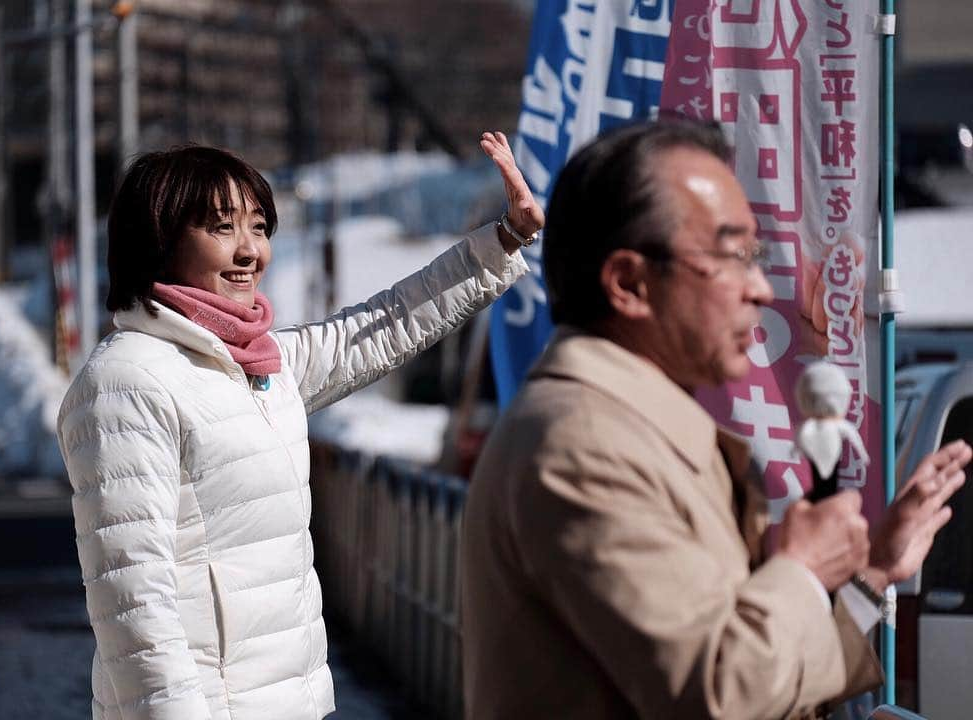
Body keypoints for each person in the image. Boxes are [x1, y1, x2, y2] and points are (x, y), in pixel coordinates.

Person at [459, 120, 970, 720]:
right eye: (732, 256)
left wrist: (873, 571)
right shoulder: (582, 444)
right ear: (629, 283)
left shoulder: (625, 426)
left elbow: (745, 666)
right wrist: (802, 571)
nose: (759, 288)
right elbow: (717, 694)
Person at [58, 131, 542, 720]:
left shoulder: (260, 365)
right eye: (220, 227)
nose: (250, 252)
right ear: (159, 240)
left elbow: (383, 325)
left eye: (258, 227)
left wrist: (505, 239)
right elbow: (132, 599)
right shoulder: (128, 379)